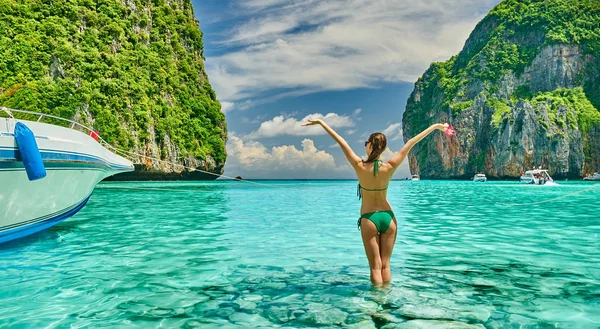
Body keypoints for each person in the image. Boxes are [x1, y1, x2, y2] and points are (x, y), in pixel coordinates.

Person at [302, 119, 453, 285]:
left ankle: (376, 306)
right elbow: (411, 142)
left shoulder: (359, 166)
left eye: (366, 142)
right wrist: (435, 126)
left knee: (375, 267)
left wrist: (322, 123)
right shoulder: (389, 166)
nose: (365, 144)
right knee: (386, 266)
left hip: (369, 218)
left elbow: (341, 141)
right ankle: (386, 302)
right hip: (388, 218)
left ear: (370, 146)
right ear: (384, 148)